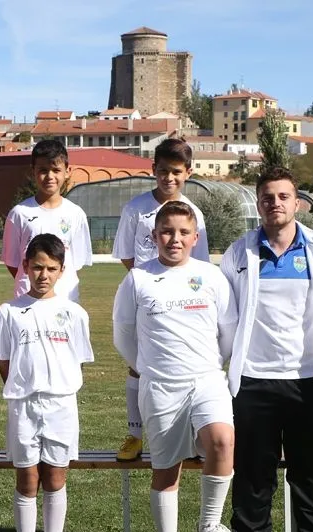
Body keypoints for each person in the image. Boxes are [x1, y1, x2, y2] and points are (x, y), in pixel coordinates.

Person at [222, 167, 313, 532]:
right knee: (253, 470)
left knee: (311, 469)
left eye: (283, 196)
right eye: (267, 197)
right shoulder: (239, 253)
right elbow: (227, 319)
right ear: (257, 204)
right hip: (255, 379)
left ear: (297, 203)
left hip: (311, 379)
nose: (274, 203)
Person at [112, 201, 243, 532]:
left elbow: (228, 332)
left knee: (222, 440)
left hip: (206, 379)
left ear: (195, 237)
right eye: (167, 231)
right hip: (160, 386)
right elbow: (123, 335)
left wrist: (207, 366)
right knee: (166, 472)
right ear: (154, 237)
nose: (175, 239)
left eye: (183, 232)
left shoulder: (211, 276)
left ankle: (208, 525)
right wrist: (151, 367)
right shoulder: (138, 278)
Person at [0, 234, 93, 532]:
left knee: (55, 477)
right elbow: (4, 362)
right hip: (23, 405)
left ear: (62, 270)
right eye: (37, 267)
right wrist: (22, 387)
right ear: (25, 267)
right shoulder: (9, 311)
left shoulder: (74, 313)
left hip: (61, 404)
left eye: (51, 268)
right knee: (27, 478)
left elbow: (77, 361)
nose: (43, 274)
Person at [112, 138, 210, 461]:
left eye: (177, 172)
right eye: (164, 171)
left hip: (185, 303)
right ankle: (135, 433)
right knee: (137, 364)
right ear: (153, 170)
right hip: (147, 300)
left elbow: (202, 264)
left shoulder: (194, 214)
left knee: (183, 363)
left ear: (189, 173)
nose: (169, 178)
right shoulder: (134, 210)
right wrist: (151, 283)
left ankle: (193, 431)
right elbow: (127, 256)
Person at [2, 139, 92, 302]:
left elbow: (76, 262)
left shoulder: (76, 214)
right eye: (43, 170)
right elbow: (13, 263)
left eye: (56, 170)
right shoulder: (19, 213)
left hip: (65, 298)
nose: (50, 176)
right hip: (27, 299)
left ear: (67, 171)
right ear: (33, 171)